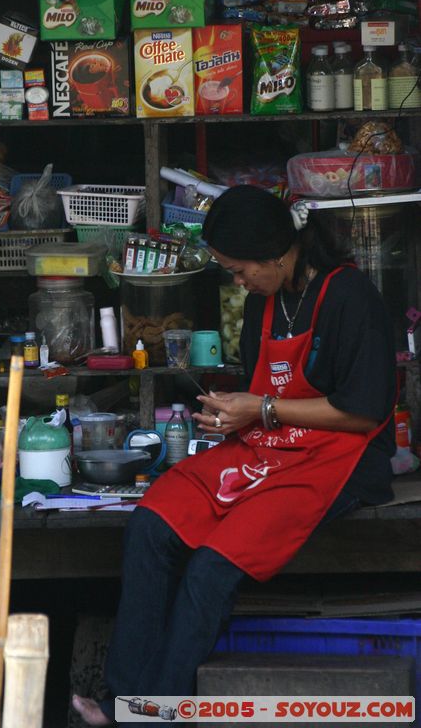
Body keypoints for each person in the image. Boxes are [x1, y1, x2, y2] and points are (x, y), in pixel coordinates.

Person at [72, 185, 397, 726]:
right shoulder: (262, 303)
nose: (237, 281)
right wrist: (233, 413)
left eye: (240, 269)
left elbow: (362, 413)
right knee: (151, 524)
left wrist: (263, 409)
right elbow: (261, 397)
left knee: (211, 568)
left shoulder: (350, 297)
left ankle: (152, 712)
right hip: (269, 446)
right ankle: (124, 699)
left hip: (339, 456)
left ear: (277, 252)